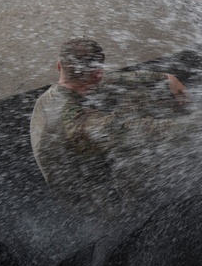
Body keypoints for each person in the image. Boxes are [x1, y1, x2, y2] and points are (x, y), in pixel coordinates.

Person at [30, 37, 188, 213]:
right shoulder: (79, 123)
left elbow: (115, 80)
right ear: (97, 72)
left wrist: (165, 77)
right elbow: (147, 130)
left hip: (72, 158)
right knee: (145, 146)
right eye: (100, 72)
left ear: (59, 65)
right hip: (91, 198)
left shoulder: (59, 94)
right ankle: (137, 210)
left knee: (134, 96)